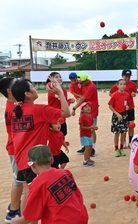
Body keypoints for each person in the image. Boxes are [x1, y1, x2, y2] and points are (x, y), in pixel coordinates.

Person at [10, 78, 70, 209]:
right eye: (33, 86)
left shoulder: (16, 111)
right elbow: (67, 113)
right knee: (36, 199)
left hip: (21, 159)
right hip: (34, 161)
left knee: (28, 193)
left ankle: (25, 219)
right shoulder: (39, 110)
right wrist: (60, 92)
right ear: (27, 94)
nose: (36, 88)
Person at [11, 145, 88, 224]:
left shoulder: (37, 184)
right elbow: (78, 196)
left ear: (33, 166)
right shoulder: (65, 173)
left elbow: (30, 217)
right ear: (52, 160)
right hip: (81, 216)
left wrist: (13, 222)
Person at [0, 77, 22, 222]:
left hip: (19, 148)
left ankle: (15, 205)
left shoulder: (15, 104)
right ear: (9, 91)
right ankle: (13, 211)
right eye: (16, 84)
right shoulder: (13, 107)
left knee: (20, 179)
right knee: (19, 180)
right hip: (16, 149)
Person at [72, 72, 99, 155]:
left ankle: (92, 148)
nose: (81, 84)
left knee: (91, 129)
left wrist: (74, 108)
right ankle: (86, 147)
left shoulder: (91, 87)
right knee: (83, 128)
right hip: (84, 110)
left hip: (92, 111)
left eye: (82, 82)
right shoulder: (84, 84)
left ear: (87, 80)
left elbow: (82, 99)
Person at [109, 69, 137, 147]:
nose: (127, 78)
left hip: (130, 107)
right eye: (126, 76)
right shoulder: (118, 84)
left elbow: (134, 93)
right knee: (121, 126)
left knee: (131, 124)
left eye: (129, 76)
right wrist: (118, 99)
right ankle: (123, 142)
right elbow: (110, 93)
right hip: (120, 109)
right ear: (122, 76)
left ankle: (130, 142)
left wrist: (133, 94)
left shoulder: (132, 84)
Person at [47, 72, 74, 137]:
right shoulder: (51, 86)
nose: (59, 78)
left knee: (62, 135)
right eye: (56, 77)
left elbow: (64, 103)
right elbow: (58, 96)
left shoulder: (63, 90)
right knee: (55, 137)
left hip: (62, 117)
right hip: (54, 118)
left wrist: (69, 101)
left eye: (60, 77)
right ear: (51, 79)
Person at [108, 79, 130, 157]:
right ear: (117, 86)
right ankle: (116, 149)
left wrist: (127, 107)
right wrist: (117, 114)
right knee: (116, 133)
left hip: (124, 115)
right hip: (116, 115)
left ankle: (121, 148)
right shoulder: (114, 95)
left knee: (124, 133)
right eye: (121, 84)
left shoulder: (127, 95)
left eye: (124, 84)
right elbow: (110, 106)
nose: (122, 86)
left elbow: (127, 104)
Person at [79, 102, 98, 167]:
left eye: (89, 106)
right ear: (82, 109)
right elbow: (81, 127)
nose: (88, 108)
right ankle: (85, 161)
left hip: (89, 135)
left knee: (90, 147)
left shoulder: (90, 116)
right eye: (86, 107)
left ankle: (88, 159)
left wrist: (94, 128)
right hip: (84, 135)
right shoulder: (82, 117)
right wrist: (91, 127)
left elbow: (91, 126)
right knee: (87, 148)